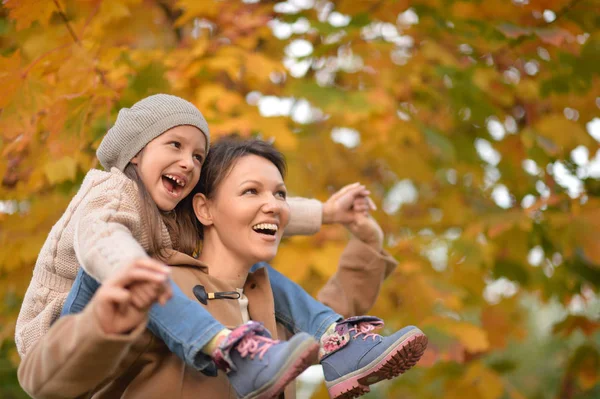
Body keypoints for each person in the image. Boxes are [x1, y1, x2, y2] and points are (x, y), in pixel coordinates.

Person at [15, 94, 373, 398]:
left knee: (256, 268)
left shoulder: (173, 209)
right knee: (150, 277)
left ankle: (334, 334)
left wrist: (328, 213)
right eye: (175, 145)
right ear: (136, 153)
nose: (188, 162)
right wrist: (132, 268)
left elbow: (255, 212)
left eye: (198, 156)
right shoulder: (113, 190)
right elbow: (100, 236)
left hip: (129, 288)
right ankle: (228, 348)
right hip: (62, 327)